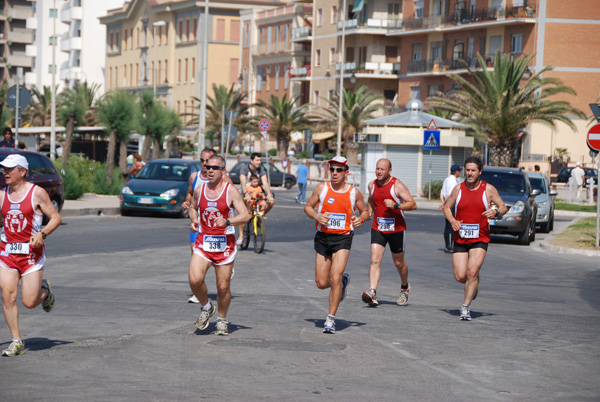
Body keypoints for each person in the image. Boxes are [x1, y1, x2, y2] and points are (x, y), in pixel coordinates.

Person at [0, 154, 62, 356]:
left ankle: (44, 291)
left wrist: (42, 234)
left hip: (31, 255)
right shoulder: (2, 194)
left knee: (29, 302)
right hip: (7, 251)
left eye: (10, 169)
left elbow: (55, 218)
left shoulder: (37, 193)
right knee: (7, 295)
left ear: (22, 171)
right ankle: (16, 341)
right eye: (4, 169)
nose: (5, 172)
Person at [304, 156, 369, 334]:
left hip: (342, 238)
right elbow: (308, 207)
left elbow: (366, 211)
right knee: (321, 282)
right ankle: (343, 282)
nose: (334, 173)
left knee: (335, 277)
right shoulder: (321, 188)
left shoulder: (353, 193)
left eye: (339, 170)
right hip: (323, 237)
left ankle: (330, 319)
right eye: (332, 169)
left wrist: (360, 219)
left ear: (346, 172)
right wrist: (317, 216)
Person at [188, 155, 249, 336]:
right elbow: (193, 207)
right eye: (207, 167)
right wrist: (194, 220)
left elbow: (245, 215)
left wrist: (228, 221)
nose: (210, 170)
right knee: (194, 280)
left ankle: (222, 319)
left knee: (223, 287)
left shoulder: (230, 191)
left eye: (215, 168)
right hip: (204, 240)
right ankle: (206, 307)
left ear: (223, 171)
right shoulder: (199, 190)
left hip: (224, 244)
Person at [442, 156, 507, 321]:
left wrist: (496, 212)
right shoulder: (458, 189)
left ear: (480, 171)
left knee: (471, 272)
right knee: (460, 276)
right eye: (467, 170)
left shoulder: (488, 189)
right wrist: (453, 220)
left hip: (480, 237)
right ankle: (474, 282)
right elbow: (447, 207)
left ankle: (465, 307)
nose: (469, 173)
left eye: (473, 170)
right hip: (461, 237)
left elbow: (503, 206)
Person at [362, 158, 417, 307]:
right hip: (378, 227)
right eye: (377, 169)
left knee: (399, 263)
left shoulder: (396, 185)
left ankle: (405, 288)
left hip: (397, 229)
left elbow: (413, 204)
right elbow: (372, 199)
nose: (379, 172)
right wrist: (370, 211)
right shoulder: (371, 185)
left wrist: (396, 205)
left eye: (382, 169)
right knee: (374, 260)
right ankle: (372, 292)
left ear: (389, 171)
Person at [182, 148, 232, 304]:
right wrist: (187, 204)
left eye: (209, 162)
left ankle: (225, 263)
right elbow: (191, 194)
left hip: (220, 231)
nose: (206, 165)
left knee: (220, 277)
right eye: (203, 161)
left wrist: (230, 223)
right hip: (201, 226)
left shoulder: (226, 181)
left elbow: (236, 206)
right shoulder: (194, 177)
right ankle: (198, 291)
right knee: (194, 252)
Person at [238, 153, 275, 245]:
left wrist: (269, 194)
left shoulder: (261, 170)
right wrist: (246, 193)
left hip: (258, 194)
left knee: (271, 201)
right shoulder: (245, 169)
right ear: (251, 160)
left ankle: (260, 216)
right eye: (257, 160)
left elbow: (265, 183)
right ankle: (241, 236)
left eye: (260, 160)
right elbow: (243, 182)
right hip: (247, 193)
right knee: (244, 215)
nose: (259, 162)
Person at [439, 164, 462, 253]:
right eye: (459, 171)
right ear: (456, 172)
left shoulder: (447, 179)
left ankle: (448, 245)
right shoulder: (453, 181)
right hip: (451, 206)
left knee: (448, 225)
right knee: (450, 225)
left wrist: (443, 203)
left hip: (447, 204)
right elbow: (449, 195)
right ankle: (449, 246)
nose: (459, 172)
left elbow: (442, 193)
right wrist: (445, 204)